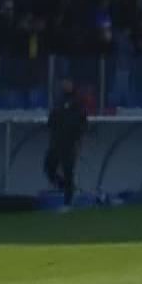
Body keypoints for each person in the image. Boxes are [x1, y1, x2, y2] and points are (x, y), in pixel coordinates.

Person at [44, 79, 89, 207]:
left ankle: (68, 201)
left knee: (68, 171)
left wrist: (79, 142)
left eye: (68, 83)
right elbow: (51, 122)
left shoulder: (77, 103)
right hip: (56, 142)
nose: (65, 85)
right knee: (49, 167)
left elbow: (83, 124)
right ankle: (65, 186)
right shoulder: (58, 102)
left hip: (69, 143)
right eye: (64, 84)